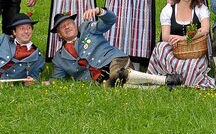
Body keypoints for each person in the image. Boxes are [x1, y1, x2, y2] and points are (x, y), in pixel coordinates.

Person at [52, 9, 182, 88]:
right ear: (58, 34)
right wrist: (44, 82)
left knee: (116, 75)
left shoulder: (87, 28)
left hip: (115, 60)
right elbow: (57, 79)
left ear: (74, 24)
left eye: (69, 23)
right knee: (112, 85)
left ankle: (164, 79)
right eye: (62, 27)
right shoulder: (59, 58)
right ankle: (160, 87)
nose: (67, 27)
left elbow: (110, 20)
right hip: (98, 79)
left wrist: (99, 11)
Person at [146, 0, 216, 90]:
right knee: (160, 47)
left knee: (192, 65)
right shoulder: (169, 9)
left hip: (195, 51)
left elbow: (205, 29)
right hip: (175, 49)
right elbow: (165, 36)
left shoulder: (200, 8)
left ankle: (175, 80)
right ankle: (169, 77)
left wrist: (183, 38)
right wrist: (174, 40)